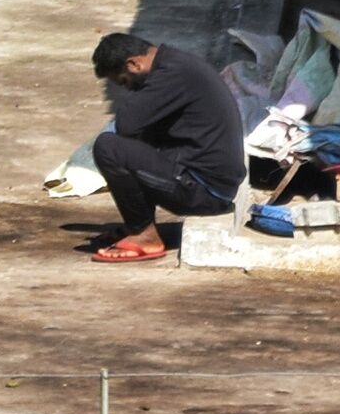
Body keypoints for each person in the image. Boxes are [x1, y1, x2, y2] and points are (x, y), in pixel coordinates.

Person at [84, 30, 243, 264]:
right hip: (210, 184)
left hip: (205, 191)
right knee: (135, 139)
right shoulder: (176, 64)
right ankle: (137, 227)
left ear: (134, 64)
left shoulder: (172, 74)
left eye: (124, 82)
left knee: (109, 147)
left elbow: (127, 124)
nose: (128, 89)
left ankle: (145, 236)